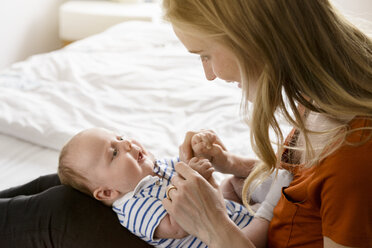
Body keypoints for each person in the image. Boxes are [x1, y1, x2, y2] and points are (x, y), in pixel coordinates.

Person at [160, 0, 372, 248]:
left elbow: (335, 179)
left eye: (205, 55)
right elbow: (300, 184)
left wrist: (213, 226)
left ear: (252, 38)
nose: (210, 74)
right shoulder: (320, 97)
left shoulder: (354, 154)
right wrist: (231, 164)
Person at [57, 127, 292, 248]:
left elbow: (200, 183)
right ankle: (269, 209)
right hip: (222, 241)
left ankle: (265, 194)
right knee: (255, 232)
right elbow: (177, 226)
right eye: (115, 152)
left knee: (233, 184)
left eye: (120, 137)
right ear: (108, 192)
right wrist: (196, 177)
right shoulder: (132, 207)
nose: (126, 143)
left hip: (224, 214)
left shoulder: (157, 166)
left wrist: (200, 155)